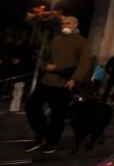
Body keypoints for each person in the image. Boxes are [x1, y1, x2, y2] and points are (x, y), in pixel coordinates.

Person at [24, 16, 91, 154]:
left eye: (67, 23)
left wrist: (74, 79)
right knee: (31, 106)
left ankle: (52, 141)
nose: (64, 25)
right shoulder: (56, 39)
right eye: (62, 23)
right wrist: (46, 65)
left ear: (75, 25)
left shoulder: (81, 41)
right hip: (47, 80)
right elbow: (46, 57)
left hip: (64, 83)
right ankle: (42, 133)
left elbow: (84, 62)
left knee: (58, 115)